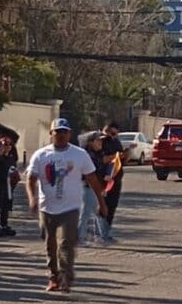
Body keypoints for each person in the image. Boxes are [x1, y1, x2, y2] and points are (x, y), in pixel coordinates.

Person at [25, 119, 108, 292]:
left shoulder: (79, 155)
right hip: (46, 207)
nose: (61, 135)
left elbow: (93, 179)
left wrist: (102, 202)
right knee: (50, 243)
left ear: (69, 134)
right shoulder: (41, 155)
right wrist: (32, 198)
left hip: (71, 207)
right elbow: (31, 179)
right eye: (57, 131)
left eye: (64, 132)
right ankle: (53, 276)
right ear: (51, 134)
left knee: (67, 243)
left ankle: (66, 277)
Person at [76, 131, 110, 246]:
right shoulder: (87, 155)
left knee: (96, 212)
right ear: (90, 142)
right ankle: (79, 237)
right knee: (86, 212)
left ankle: (100, 236)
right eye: (98, 140)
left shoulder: (97, 154)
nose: (101, 142)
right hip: (87, 186)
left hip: (94, 187)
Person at [99, 122, 125, 239]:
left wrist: (125, 156)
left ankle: (106, 231)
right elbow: (101, 159)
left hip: (116, 179)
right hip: (103, 179)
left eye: (116, 134)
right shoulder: (100, 141)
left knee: (112, 206)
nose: (114, 136)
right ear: (106, 130)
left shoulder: (116, 142)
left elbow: (121, 161)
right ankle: (100, 232)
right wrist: (114, 156)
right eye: (113, 134)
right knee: (102, 206)